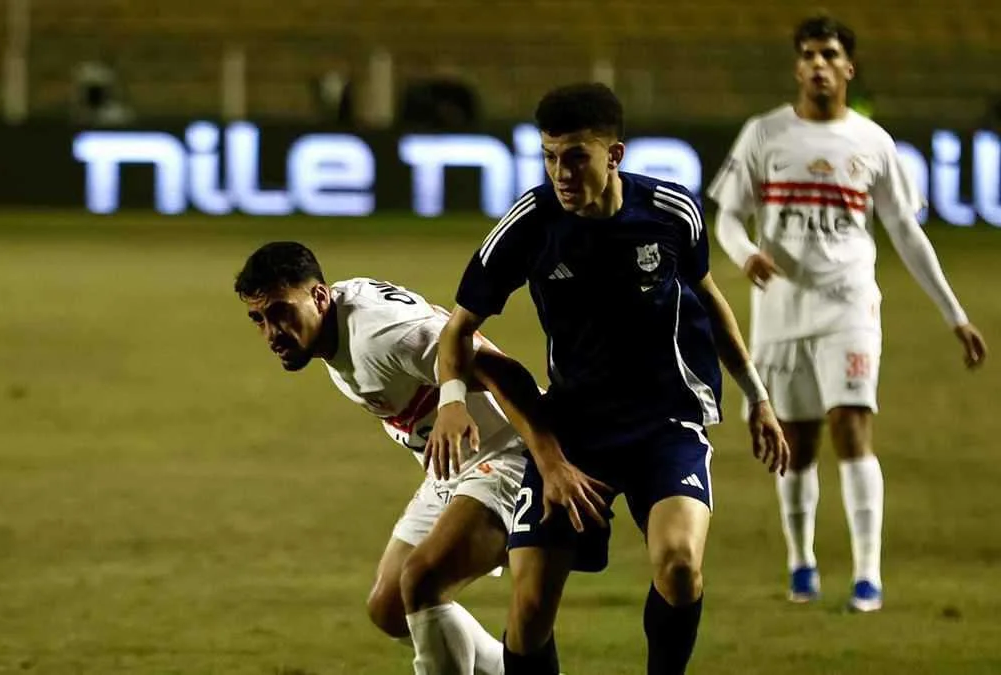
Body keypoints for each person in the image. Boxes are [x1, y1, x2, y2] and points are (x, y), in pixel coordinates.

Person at [428, 82, 789, 675]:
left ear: (614, 155)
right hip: (573, 429)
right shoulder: (530, 223)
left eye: (575, 157)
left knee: (680, 564)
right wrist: (450, 401)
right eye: (549, 157)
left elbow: (708, 298)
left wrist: (758, 398)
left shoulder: (672, 212)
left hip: (664, 424)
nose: (560, 173)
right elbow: (458, 328)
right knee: (529, 609)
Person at [707, 15, 988, 613]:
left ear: (848, 68)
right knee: (797, 443)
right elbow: (727, 216)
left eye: (830, 55)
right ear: (797, 67)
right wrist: (746, 252)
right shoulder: (764, 134)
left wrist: (955, 314)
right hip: (781, 312)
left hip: (850, 304)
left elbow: (906, 232)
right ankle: (801, 563)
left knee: (852, 426)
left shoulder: (873, 142)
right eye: (809, 54)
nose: (819, 64)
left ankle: (867, 575)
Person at [235, 241, 535, 674]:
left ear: (319, 296)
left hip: (511, 452)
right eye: (258, 319)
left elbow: (506, 372)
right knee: (390, 607)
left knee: (422, 583)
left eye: (281, 312)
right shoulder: (335, 322)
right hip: (453, 467)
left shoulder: (380, 336)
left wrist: (553, 462)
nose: (271, 332)